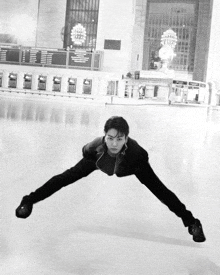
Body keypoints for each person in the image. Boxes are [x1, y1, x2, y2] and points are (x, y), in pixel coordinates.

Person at [16, 116, 206, 242]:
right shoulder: (93, 148)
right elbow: (83, 153)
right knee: (64, 178)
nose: (114, 143)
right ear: (104, 136)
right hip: (100, 161)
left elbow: (147, 165)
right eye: (110, 138)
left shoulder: (136, 154)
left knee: (161, 192)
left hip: (129, 166)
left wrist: (131, 166)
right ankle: (28, 200)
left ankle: (192, 222)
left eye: (120, 139)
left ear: (126, 139)